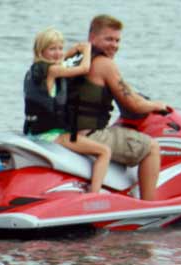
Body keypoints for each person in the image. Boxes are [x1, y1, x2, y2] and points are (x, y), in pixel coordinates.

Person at [69, 14, 167, 201]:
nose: (114, 45)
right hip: (89, 135)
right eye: (108, 39)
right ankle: (149, 205)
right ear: (92, 38)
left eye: (117, 40)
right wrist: (157, 105)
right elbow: (134, 104)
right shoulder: (104, 64)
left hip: (66, 133)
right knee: (151, 147)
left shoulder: (74, 58)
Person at [24, 29, 116, 194]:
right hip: (51, 135)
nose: (58, 53)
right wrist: (87, 50)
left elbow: (60, 63)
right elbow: (84, 68)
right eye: (52, 49)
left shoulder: (35, 70)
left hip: (34, 132)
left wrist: (69, 53)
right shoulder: (52, 71)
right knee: (104, 151)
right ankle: (94, 195)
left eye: (60, 48)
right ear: (41, 50)